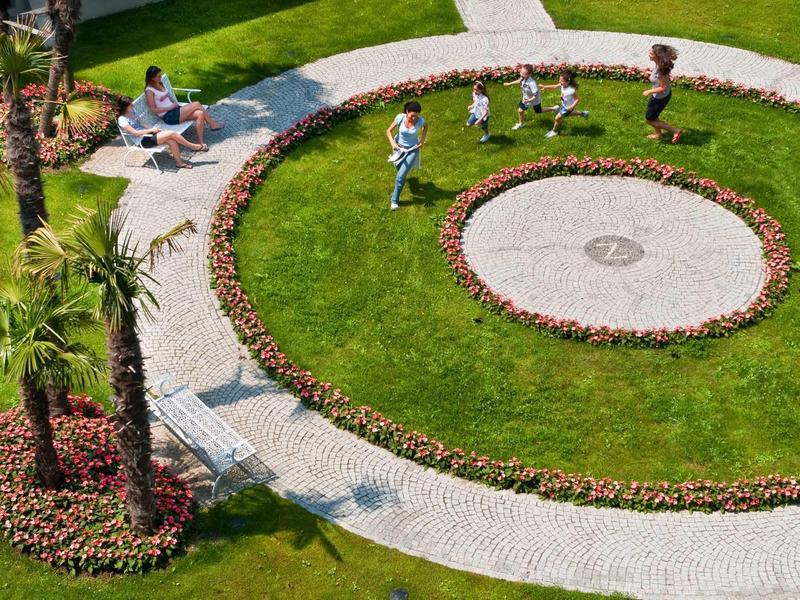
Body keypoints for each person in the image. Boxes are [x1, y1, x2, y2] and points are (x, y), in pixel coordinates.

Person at [144, 65, 223, 147]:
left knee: (199, 113)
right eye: (158, 76)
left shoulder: (159, 83)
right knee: (196, 104)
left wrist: (174, 104)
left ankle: (201, 143)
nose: (160, 77)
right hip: (169, 116)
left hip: (175, 110)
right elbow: (153, 109)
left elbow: (167, 97)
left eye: (160, 75)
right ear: (152, 78)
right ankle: (213, 124)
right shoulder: (149, 91)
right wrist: (169, 107)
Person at [117, 96, 204, 169]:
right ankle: (192, 146)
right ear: (125, 107)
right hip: (142, 140)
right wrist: (151, 130)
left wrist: (153, 129)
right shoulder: (122, 119)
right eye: (130, 105)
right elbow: (135, 133)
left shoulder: (132, 111)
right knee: (171, 134)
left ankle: (179, 163)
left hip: (149, 135)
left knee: (171, 141)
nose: (133, 105)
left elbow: (142, 122)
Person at [385, 101, 428, 211]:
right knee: (400, 172)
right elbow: (388, 131)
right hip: (398, 149)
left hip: (412, 150)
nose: (414, 118)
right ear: (407, 112)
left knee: (400, 176)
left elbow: (425, 127)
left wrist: (422, 141)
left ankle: (394, 201)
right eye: (412, 115)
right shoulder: (400, 117)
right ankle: (401, 183)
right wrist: (393, 144)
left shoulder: (420, 121)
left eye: (416, 116)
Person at [644, 44, 683, 143]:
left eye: (651, 53)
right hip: (660, 95)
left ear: (658, 56)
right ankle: (658, 134)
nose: (649, 54)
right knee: (654, 116)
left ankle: (675, 131)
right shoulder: (660, 65)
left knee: (649, 119)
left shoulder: (660, 71)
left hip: (660, 97)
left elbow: (663, 87)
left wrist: (649, 91)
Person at [540, 70, 589, 138]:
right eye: (559, 80)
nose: (560, 82)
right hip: (564, 105)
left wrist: (571, 107)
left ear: (568, 82)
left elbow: (577, 99)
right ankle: (583, 113)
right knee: (567, 114)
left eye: (561, 81)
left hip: (568, 107)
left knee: (557, 118)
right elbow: (554, 86)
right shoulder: (562, 85)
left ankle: (554, 131)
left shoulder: (571, 91)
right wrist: (545, 87)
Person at [504, 64, 541, 130]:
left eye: (524, 74)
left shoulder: (532, 83)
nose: (521, 75)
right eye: (521, 72)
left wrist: (529, 100)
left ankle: (554, 108)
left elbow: (535, 95)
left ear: (529, 74)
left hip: (534, 100)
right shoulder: (523, 77)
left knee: (538, 111)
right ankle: (521, 124)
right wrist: (509, 84)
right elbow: (519, 81)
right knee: (520, 110)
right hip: (526, 99)